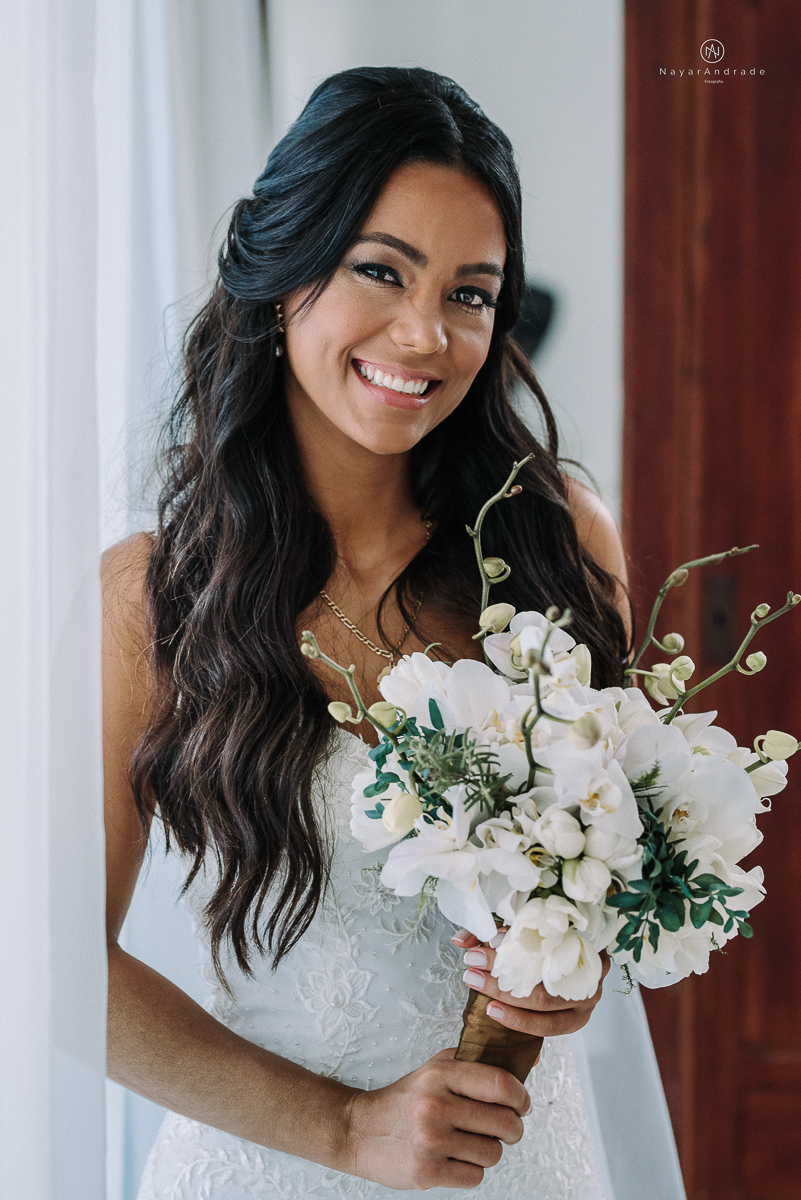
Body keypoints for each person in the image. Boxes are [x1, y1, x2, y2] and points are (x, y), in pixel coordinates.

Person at [103, 67, 670, 1199]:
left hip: (518, 1161)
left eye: (472, 293)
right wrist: (345, 1131)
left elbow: (615, 864)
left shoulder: (560, 539)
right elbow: (44, 969)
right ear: (282, 273)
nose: (425, 335)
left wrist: (575, 967)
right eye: (381, 271)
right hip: (263, 1165)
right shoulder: (156, 594)